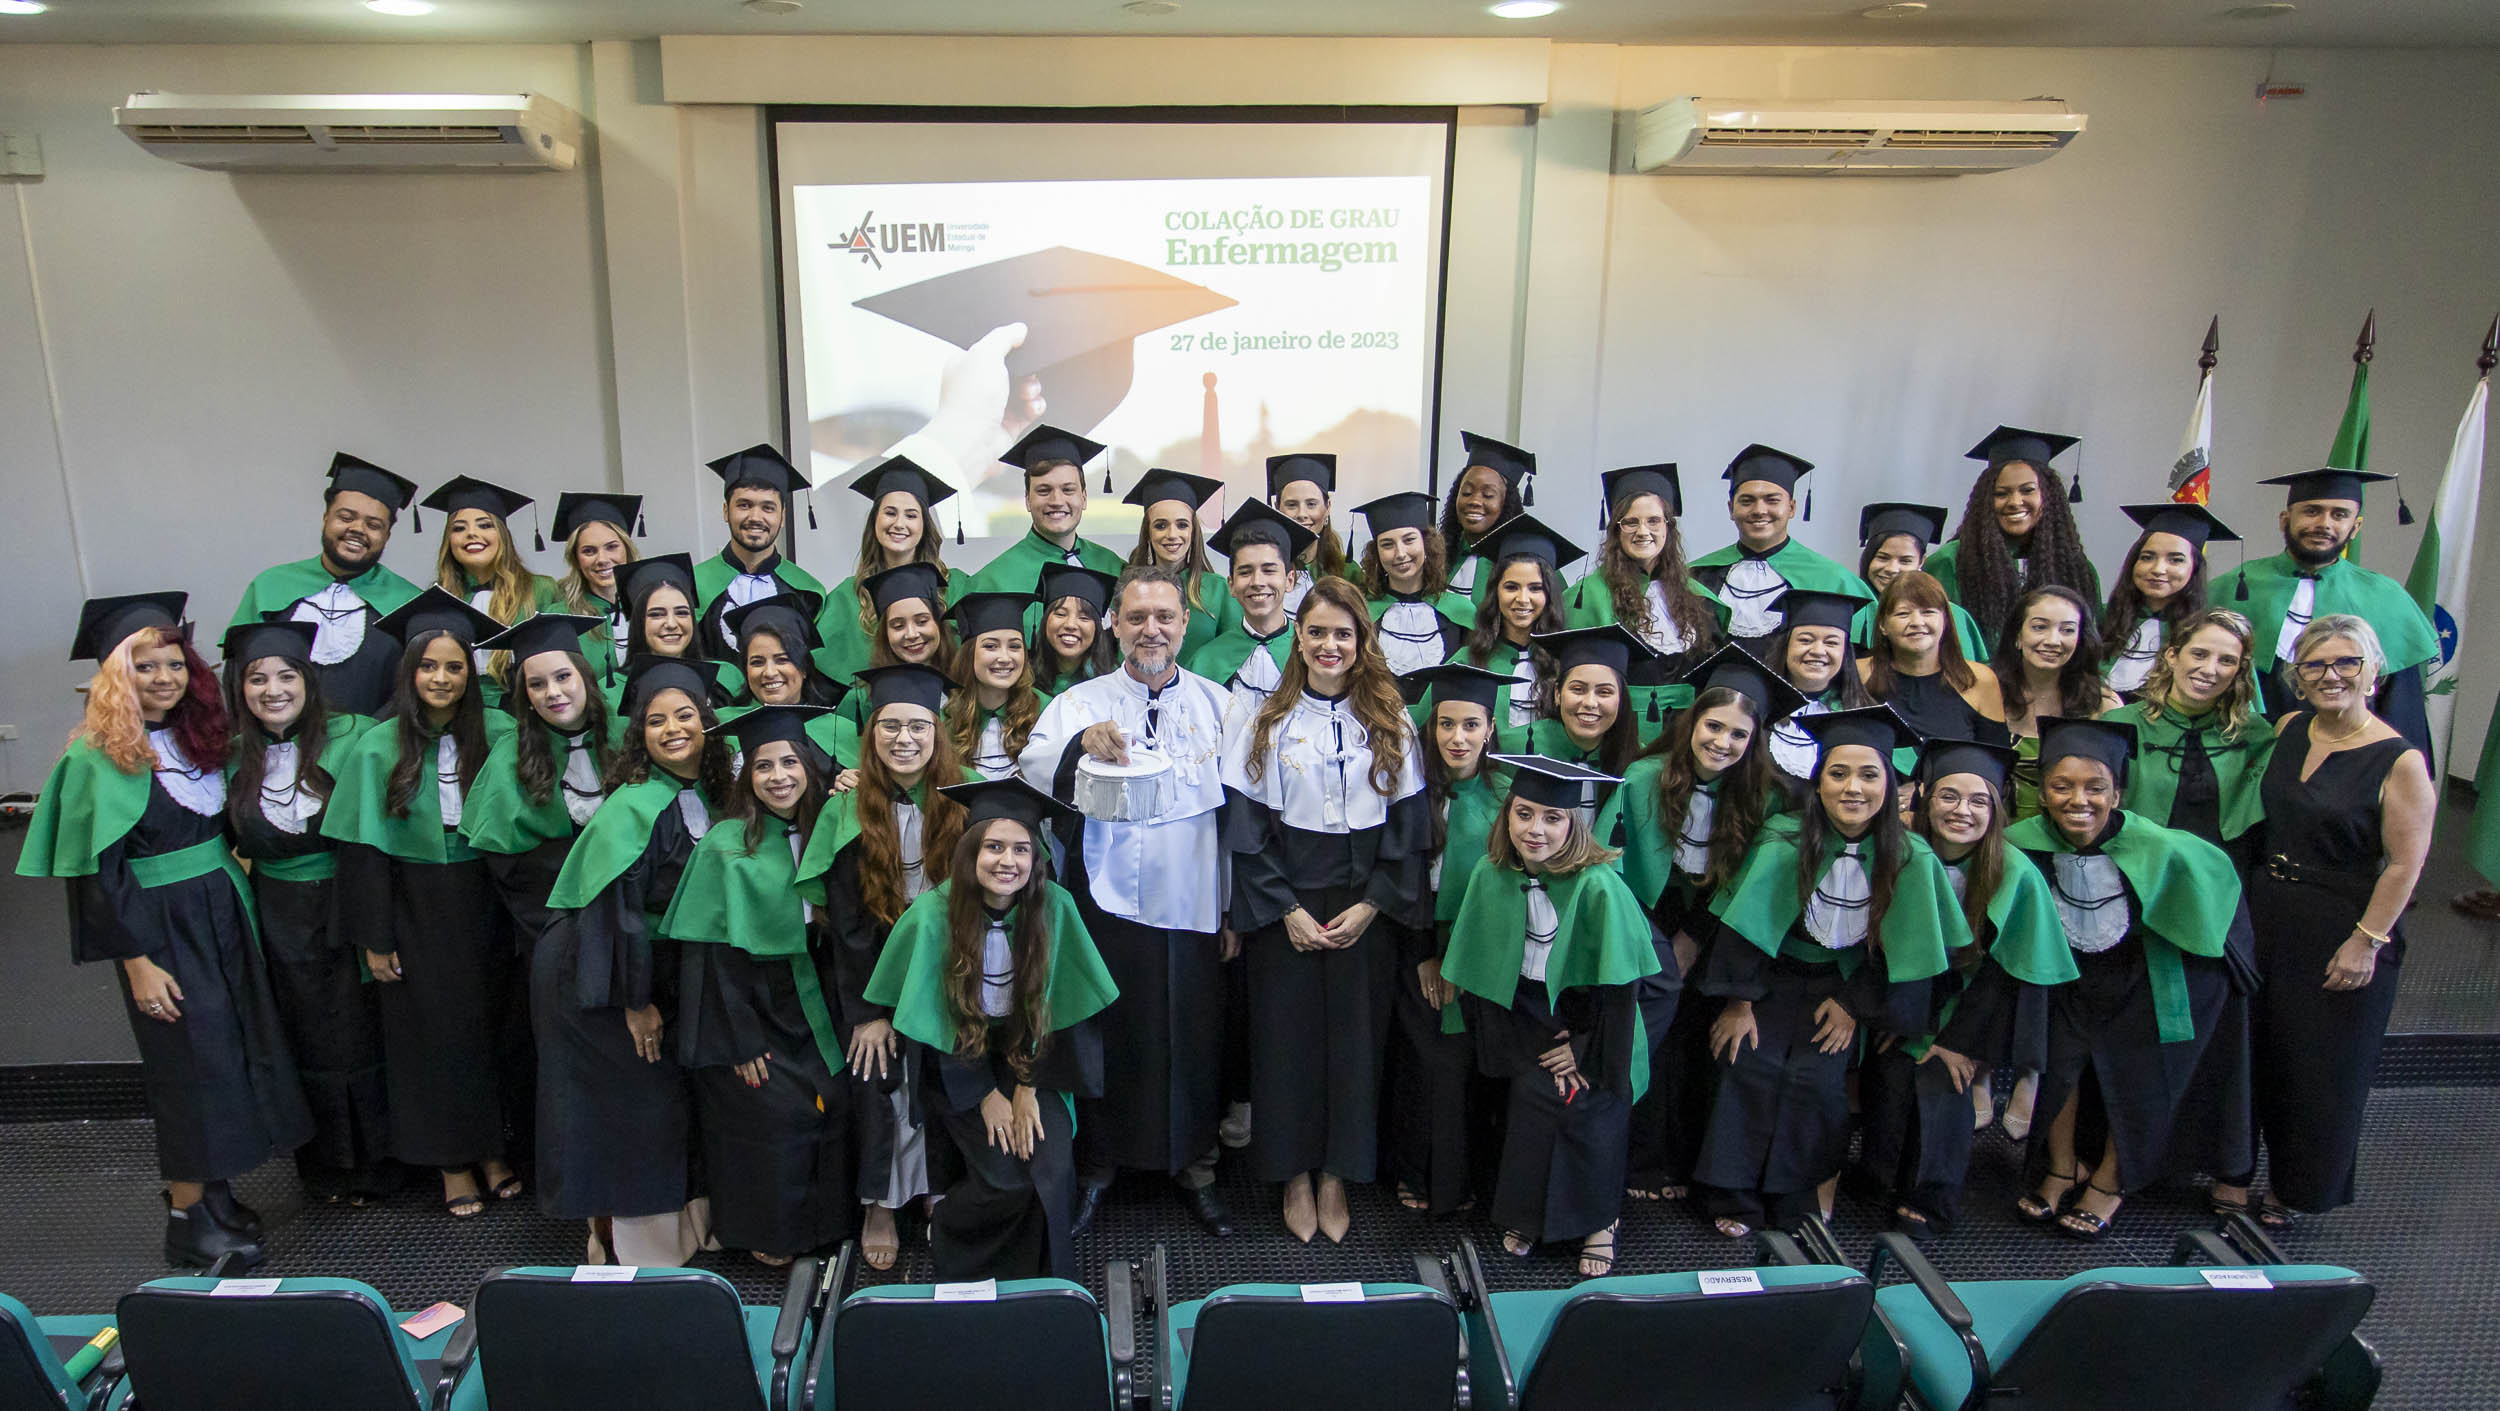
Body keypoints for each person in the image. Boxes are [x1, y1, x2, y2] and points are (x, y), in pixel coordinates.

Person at [19, 595, 310, 1269]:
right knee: (185, 1069)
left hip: (222, 909)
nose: (163, 677)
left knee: (226, 1057)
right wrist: (137, 962)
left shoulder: (195, 740)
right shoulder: (96, 758)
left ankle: (216, 1196)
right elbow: (96, 876)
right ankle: (187, 1220)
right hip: (160, 926)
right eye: (144, 665)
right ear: (115, 674)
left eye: (174, 664)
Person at [1020, 562, 1237, 1236]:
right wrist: (1077, 745)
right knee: (1105, 1037)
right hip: (1103, 903)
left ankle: (1196, 1168)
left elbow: (1245, 819)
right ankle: (1099, 1167)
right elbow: (1032, 768)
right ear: (1114, 624)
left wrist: (1233, 909)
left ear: (1184, 624)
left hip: (1194, 902)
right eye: (1137, 617)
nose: (1151, 629)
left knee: (1193, 1037)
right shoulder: (1079, 704)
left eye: (1164, 617)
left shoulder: (1220, 706)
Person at [1695, 706, 1965, 1238]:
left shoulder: (1911, 857)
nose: (1853, 789)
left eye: (1869, 776)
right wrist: (1738, 1002)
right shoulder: (1783, 837)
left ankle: (1795, 1198)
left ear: (1890, 786)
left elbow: (1909, 951)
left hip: (1844, 986)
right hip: (1771, 978)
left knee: (1816, 1081)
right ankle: (1731, 1194)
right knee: (1746, 1061)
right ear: (1818, 783)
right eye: (1838, 774)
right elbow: (1746, 926)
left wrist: (1853, 1006)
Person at [1222, 575, 1429, 1243]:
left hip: (1364, 907)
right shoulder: (1264, 721)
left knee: (1354, 1046)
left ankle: (1337, 1173)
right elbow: (1247, 831)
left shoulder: (1392, 720)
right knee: (1285, 1045)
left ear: (1362, 639)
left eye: (1343, 633)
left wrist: (1373, 906)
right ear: (1298, 637)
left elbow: (1409, 830)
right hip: (1286, 904)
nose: (1329, 645)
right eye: (1317, 632)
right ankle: (1293, 1173)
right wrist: (1285, 909)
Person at [864, 777, 1120, 1280]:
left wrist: (1026, 1088)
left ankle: (1043, 1288)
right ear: (970, 854)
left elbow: (1066, 1014)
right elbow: (935, 1023)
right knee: (1006, 1179)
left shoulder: (1056, 908)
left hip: (1036, 1060)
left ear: (1036, 857)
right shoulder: (932, 916)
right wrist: (986, 1096)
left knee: (1050, 1170)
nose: (1008, 861)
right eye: (994, 847)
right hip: (961, 1065)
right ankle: (953, 1238)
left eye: (1021, 849)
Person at [320, 586, 522, 1222]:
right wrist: (375, 937)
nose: (441, 678)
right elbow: (363, 853)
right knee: (428, 1037)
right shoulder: (378, 746)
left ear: (471, 671)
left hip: (488, 898)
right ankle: (451, 1163)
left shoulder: (500, 732)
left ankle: (494, 1149)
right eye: (428, 666)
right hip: (414, 905)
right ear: (408, 672)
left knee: (493, 1028)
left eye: (454, 666)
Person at [2004, 716, 2247, 1242]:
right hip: (2067, 975)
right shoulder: (2019, 843)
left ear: (2118, 794)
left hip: (2146, 976)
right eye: (2061, 786)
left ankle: (2110, 1181)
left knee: (2135, 1075)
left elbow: (2217, 904)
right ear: (2042, 793)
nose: (2079, 800)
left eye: (2096, 788)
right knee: (2059, 1066)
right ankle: (2061, 1166)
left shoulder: (2164, 847)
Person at [2241, 616, 2431, 1226]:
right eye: (2315, 664)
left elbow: (2403, 865)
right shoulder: (2290, 728)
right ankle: (2235, 1172)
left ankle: (2297, 1189)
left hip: (2342, 922)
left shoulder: (2400, 760)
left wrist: (2365, 942)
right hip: (2269, 909)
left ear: (2373, 673)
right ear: (2297, 677)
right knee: (2261, 1051)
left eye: (2347, 662)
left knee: (2321, 1068)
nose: (2331, 675)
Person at [538, 656, 727, 1265]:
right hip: (599, 975)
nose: (672, 730)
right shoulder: (633, 806)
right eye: (655, 721)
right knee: (634, 1108)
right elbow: (613, 914)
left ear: (707, 722)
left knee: (671, 1101)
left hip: (648, 964)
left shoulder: (707, 792)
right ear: (639, 735)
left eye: (685, 716)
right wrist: (635, 1001)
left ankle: (686, 1230)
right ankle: (631, 1250)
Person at [1443, 756, 1658, 1278]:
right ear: (1507, 817)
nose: (1535, 829)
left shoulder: (1600, 885)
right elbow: (1482, 966)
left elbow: (1623, 987)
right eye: (1524, 814)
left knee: (1586, 1104)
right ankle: (1528, 1215)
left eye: (1552, 818)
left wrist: (1583, 1048)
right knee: (1534, 1099)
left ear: (1573, 824)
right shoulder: (1492, 872)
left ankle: (1600, 1221)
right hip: (1527, 1013)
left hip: (1596, 1020)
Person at [1599, 644, 1797, 1207]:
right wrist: (1663, 943)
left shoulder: (1765, 798)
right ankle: (1639, 1160)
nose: (1722, 742)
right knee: (1652, 1038)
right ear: (1692, 722)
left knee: (1698, 1042)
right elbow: (1614, 871)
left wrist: (1693, 938)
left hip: (1715, 927)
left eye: (1739, 734)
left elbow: (1748, 886)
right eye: (1713, 726)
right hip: (1644, 918)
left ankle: (1688, 1162)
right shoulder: (1643, 778)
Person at [795, 664, 975, 1271]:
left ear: (937, 733)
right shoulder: (847, 810)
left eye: (918, 726)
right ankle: (880, 1201)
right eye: (889, 726)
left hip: (947, 971)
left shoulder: (965, 799)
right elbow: (845, 925)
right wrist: (869, 1012)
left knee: (944, 1081)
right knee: (881, 1082)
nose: (904, 739)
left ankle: (937, 1189)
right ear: (870, 734)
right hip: (872, 976)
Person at [1854, 740, 2069, 1240]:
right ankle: (1878, 1179)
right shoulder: (1901, 853)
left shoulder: (2015, 873)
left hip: (1972, 1010)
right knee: (1889, 1078)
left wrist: (1957, 1042)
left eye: (1978, 802)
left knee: (1943, 1083)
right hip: (1906, 996)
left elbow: (2004, 974)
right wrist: (1901, 1014)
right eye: (1949, 796)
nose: (1962, 811)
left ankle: (1931, 1198)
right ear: (1925, 799)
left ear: (1996, 812)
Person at [667, 703, 857, 1265]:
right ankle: (772, 1232)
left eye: (790, 763)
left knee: (835, 1102)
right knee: (774, 1112)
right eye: (763, 766)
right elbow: (710, 956)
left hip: (819, 998)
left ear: (809, 768)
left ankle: (828, 1225)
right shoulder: (725, 844)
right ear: (746, 777)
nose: (779, 777)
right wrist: (740, 1040)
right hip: (751, 1004)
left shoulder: (828, 827)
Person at [219, 617, 391, 1207]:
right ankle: (323, 1167)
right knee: (304, 1034)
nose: (273, 690)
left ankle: (383, 1162)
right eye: (256, 678)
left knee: (365, 1028)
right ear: (240, 688)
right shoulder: (229, 757)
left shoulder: (356, 735)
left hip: (350, 901)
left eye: (287, 675)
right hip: (277, 913)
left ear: (309, 680)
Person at [1386, 663, 1513, 1216]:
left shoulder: (1507, 797)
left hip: (1481, 953)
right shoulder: (1409, 788)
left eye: (1471, 725)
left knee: (1470, 1068)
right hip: (1416, 945)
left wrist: (1460, 959)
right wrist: (1427, 956)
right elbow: (1401, 876)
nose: (1457, 738)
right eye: (1445, 724)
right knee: (1424, 1061)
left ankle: (1467, 1178)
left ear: (1491, 728)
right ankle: (1417, 1171)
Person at [2209, 468, 2440, 757]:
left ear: (2355, 527)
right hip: (2242, 746)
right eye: (2311, 511)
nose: (2324, 524)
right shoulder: (2232, 586)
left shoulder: (2386, 598)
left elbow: (2402, 710)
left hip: (2345, 756)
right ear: (2285, 520)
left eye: (2339, 515)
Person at [229, 453, 424, 716]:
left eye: (373, 524)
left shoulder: (410, 603)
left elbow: (410, 693)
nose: (358, 529)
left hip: (372, 739)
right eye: (346, 517)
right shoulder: (270, 586)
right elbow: (238, 675)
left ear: (387, 535)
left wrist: (371, 737)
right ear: (325, 518)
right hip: (276, 737)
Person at [1564, 465, 1730, 727]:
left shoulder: (1698, 597)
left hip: (1690, 728)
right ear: (1616, 531)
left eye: (1653, 521)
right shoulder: (1587, 597)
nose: (1643, 531)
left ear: (1668, 527)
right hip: (1622, 727)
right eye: (1631, 522)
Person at [1924, 426, 2099, 646]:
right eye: (2001, 493)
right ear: (1986, 501)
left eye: (2028, 490)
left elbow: (2090, 642)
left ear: (2049, 496)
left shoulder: (2075, 567)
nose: (2015, 502)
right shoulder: (1951, 561)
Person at [1689, 445, 1867, 655]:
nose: (1759, 510)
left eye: (1772, 500)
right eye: (1747, 501)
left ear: (1791, 508)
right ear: (1731, 509)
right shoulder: (1696, 575)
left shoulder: (1834, 581)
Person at [422, 475, 563, 710]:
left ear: (502, 535)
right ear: (449, 541)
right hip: (458, 711)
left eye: (485, 525)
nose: (471, 534)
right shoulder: (438, 598)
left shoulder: (541, 590)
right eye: (459, 528)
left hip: (524, 710)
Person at [961, 425, 1127, 615]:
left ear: (1084, 497)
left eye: (1068, 490)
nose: (1056, 501)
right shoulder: (993, 581)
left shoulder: (1113, 567)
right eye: (1043, 491)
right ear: (1027, 500)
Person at [820, 456, 957, 685]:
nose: (899, 524)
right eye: (890, 513)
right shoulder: (846, 596)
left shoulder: (954, 586)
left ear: (924, 525)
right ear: (875, 520)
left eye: (911, 515)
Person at [1454, 514, 1583, 737]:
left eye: (1535, 588)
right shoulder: (1467, 661)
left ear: (1550, 595)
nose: (1523, 599)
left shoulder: (1568, 664)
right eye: (1511, 587)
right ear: (1495, 592)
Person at [1998, 587, 2121, 820]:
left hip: (2071, 830)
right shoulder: (1987, 692)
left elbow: (2112, 790)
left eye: (2067, 630)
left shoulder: (2102, 704)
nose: (2053, 641)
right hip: (1993, 831)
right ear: (2018, 636)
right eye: (2039, 627)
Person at [694, 444, 828, 658]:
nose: (756, 517)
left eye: (768, 508)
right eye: (744, 505)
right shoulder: (693, 586)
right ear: (726, 511)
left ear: (782, 517)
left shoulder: (808, 594)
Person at [1858, 571, 2009, 750]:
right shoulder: (1859, 674)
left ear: (1945, 620)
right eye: (1903, 614)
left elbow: (1995, 759)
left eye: (1928, 612)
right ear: (1883, 625)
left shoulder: (1979, 680)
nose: (1916, 622)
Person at [1194, 499, 1317, 716]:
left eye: (1269, 570)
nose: (1257, 581)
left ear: (1289, 580)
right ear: (1231, 585)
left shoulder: (1312, 653)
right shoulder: (1207, 660)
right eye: (1245, 572)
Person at [2099, 503, 2237, 696]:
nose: (2158, 569)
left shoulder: (2210, 632)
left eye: (2176, 560)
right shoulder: (2100, 617)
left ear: (2194, 568)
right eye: (2147, 557)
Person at [726, 591, 862, 769]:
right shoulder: (725, 728)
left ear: (804, 667)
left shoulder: (843, 732)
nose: (769, 672)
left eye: (782, 660)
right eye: (757, 662)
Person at [1759, 589, 1875, 788]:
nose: (1818, 651)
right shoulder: (1757, 705)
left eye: (1832, 643)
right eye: (1805, 640)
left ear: (1845, 653)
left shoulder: (1862, 715)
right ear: (1785, 646)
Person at [1507, 625, 1660, 774]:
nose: (1590, 703)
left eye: (1604, 692)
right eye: (1578, 689)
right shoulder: (1511, 750)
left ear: (1621, 699)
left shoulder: (1637, 762)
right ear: (1557, 694)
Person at [1357, 491, 1476, 677]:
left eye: (1409, 540)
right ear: (1376, 554)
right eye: (1387, 545)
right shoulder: (1361, 613)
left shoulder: (1461, 611)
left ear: (1426, 544)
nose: (1400, 553)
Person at [1850, 503, 1987, 663]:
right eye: (1882, 558)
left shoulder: (1951, 614)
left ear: (1921, 561)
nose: (1892, 569)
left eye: (1905, 560)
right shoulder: (1851, 611)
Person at [1122, 468, 1235, 661]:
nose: (1172, 535)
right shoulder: (1130, 587)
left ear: (1193, 531)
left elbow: (1233, 652)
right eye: (1160, 526)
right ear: (1148, 532)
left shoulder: (1219, 590)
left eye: (1182, 525)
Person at [944, 592, 1048, 780]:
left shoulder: (1046, 710)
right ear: (969, 654)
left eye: (1015, 646)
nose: (1005, 658)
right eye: (991, 646)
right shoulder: (946, 717)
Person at [611, 553, 737, 707]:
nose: (671, 624)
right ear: (638, 622)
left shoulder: (727, 675)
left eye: (682, 613)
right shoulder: (612, 690)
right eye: (656, 614)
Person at [550, 492, 644, 684]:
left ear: (627, 549)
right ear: (576, 559)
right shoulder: (561, 618)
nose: (602, 559)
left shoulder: (654, 607)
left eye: (611, 547)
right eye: (589, 551)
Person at [1441, 431, 1533, 600]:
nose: (1474, 501)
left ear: (1507, 503)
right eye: (1467, 492)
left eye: (1488, 495)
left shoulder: (1529, 564)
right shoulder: (1440, 556)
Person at [1269, 451, 1353, 614]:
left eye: (1311, 504)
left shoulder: (1348, 572)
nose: (1302, 514)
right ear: (1277, 508)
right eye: (1291, 505)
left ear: (1328, 507)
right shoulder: (1264, 570)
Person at [1033, 563, 1120, 695]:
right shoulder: (1024, 681)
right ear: (1045, 620)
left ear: (1097, 628)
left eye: (1084, 618)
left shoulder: (1113, 684)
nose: (1070, 625)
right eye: (1060, 614)